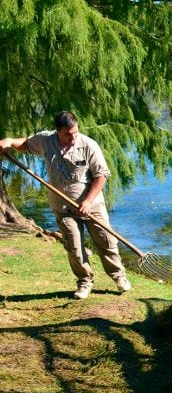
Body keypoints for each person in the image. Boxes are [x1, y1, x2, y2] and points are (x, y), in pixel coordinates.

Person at [0, 111, 131, 299]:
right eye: (68, 134)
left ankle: (119, 277)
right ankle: (85, 282)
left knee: (106, 241)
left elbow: (101, 175)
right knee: (74, 246)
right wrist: (10, 141)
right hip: (63, 207)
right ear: (57, 131)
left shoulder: (88, 145)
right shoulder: (46, 140)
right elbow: (26, 145)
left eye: (75, 132)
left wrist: (87, 201)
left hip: (92, 205)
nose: (73, 137)